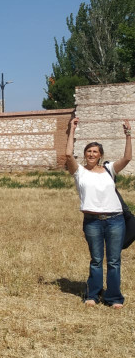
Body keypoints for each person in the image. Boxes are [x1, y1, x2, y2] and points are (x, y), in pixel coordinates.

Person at [66, 116, 131, 308]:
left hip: (115, 220)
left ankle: (113, 298)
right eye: (88, 151)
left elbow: (127, 158)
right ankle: (92, 295)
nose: (92, 154)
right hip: (92, 221)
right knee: (96, 260)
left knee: (114, 261)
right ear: (85, 154)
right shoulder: (79, 172)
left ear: (100, 155)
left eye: (95, 151)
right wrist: (72, 129)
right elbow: (68, 155)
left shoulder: (110, 169)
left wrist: (128, 135)